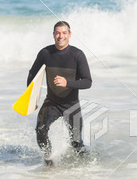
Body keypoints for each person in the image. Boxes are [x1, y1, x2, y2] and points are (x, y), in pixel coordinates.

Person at [27, 21, 92, 165]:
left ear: (69, 35)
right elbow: (32, 74)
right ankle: (49, 162)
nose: (60, 36)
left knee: (76, 143)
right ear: (53, 35)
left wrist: (67, 83)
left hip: (72, 105)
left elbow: (88, 81)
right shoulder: (45, 53)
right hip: (52, 103)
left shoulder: (77, 55)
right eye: (57, 33)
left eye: (63, 33)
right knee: (40, 130)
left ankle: (85, 169)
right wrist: (32, 99)